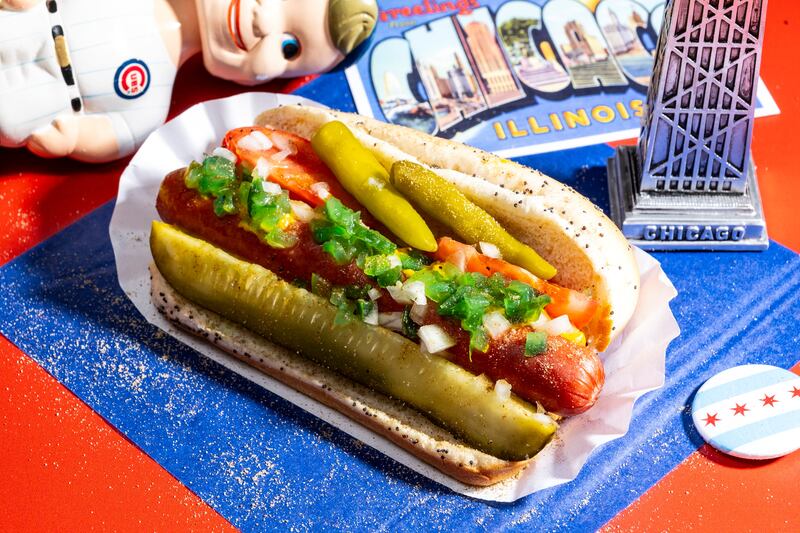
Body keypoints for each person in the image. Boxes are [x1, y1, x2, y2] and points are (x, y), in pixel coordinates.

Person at [0, 0, 377, 161]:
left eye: (290, 48)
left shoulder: (152, 103)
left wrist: (77, 139)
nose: (265, 23)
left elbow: (120, 131)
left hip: (27, 103)